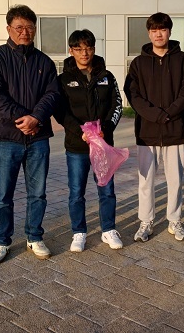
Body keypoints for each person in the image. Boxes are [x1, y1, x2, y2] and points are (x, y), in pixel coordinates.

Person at [0, 4, 60, 263]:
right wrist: (23, 119)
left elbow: (53, 94)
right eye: (19, 27)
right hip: (6, 138)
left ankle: (34, 236)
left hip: (38, 138)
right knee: (3, 195)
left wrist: (36, 118)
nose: (24, 32)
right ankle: (1, 241)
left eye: (29, 27)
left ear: (35, 29)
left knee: (37, 193)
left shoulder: (44, 62)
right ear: (8, 29)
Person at [124, 12, 184, 242]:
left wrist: (169, 114)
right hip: (147, 132)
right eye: (154, 30)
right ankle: (146, 221)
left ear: (169, 31)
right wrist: (156, 115)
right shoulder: (138, 63)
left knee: (175, 180)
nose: (158, 34)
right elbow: (133, 95)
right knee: (146, 181)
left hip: (176, 130)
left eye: (162, 29)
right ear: (148, 33)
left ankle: (175, 220)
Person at [55, 29, 124, 252]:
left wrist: (106, 128)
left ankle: (108, 229)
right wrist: (80, 132)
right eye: (79, 49)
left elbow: (117, 104)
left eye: (89, 48)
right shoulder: (63, 80)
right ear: (71, 51)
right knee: (77, 192)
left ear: (94, 49)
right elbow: (60, 111)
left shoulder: (107, 76)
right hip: (77, 146)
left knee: (107, 189)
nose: (84, 53)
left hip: (103, 145)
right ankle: (79, 232)